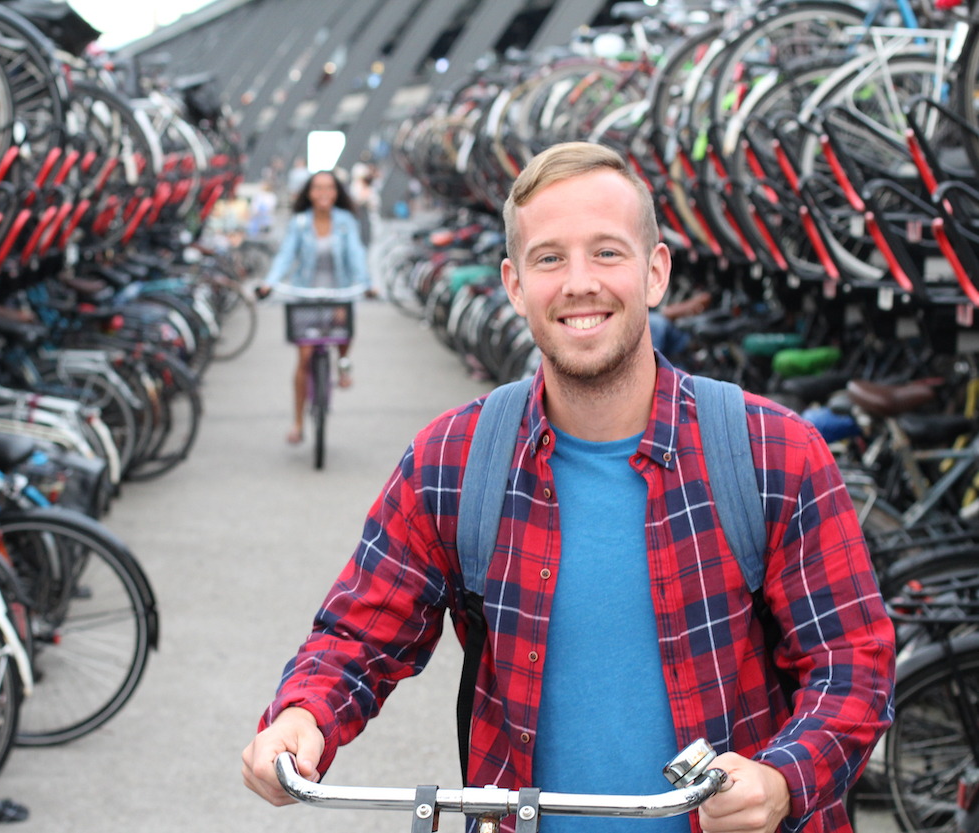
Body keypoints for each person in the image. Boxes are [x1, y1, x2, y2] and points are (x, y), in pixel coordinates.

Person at [242, 142, 895, 833]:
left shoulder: (772, 451)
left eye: (608, 252)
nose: (579, 282)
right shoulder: (454, 460)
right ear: (515, 284)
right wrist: (302, 715)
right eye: (549, 258)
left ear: (656, 271)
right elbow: (357, 633)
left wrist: (783, 777)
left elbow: (853, 661)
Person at [257, 170, 369, 445]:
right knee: (304, 359)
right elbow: (285, 256)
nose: (323, 193)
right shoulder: (299, 223)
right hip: (304, 296)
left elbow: (356, 253)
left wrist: (368, 282)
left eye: (329, 188)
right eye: (317, 188)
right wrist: (270, 282)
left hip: (338, 293)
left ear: (336, 192)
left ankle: (343, 365)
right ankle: (297, 422)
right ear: (309, 192)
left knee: (344, 330)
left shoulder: (345, 222)